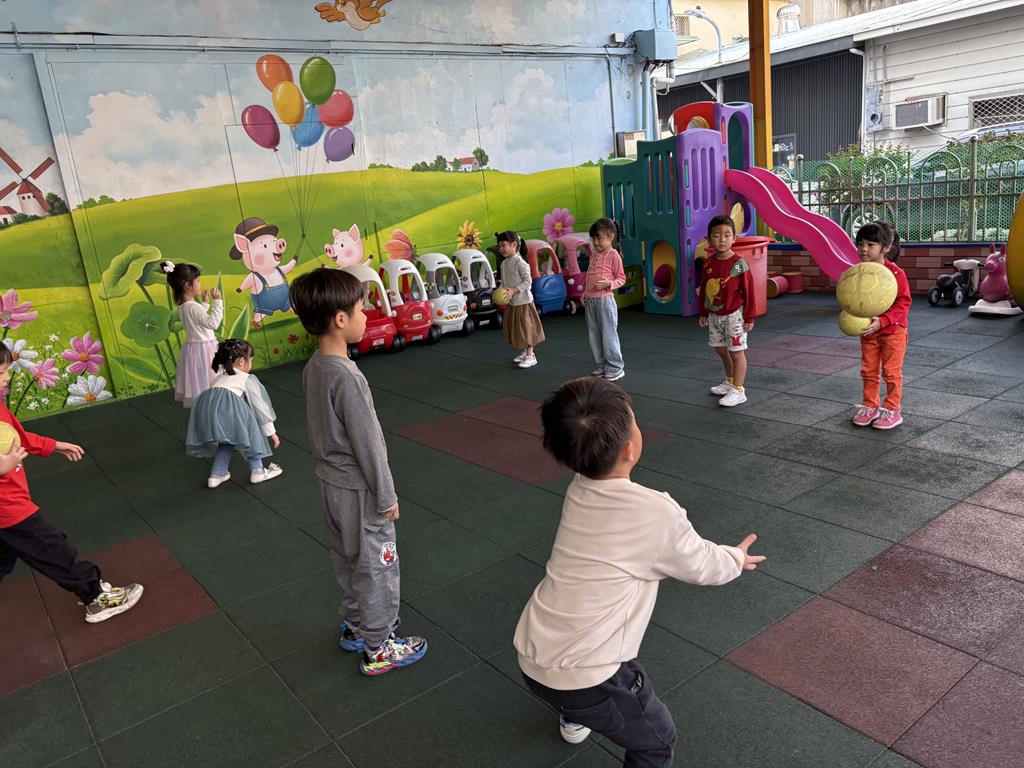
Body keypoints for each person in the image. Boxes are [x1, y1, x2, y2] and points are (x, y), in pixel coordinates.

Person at [515, 376, 765, 767]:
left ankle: (575, 712)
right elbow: (701, 564)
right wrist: (734, 558)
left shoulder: (580, 488)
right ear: (631, 447)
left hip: (535, 647)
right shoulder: (655, 512)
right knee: (657, 740)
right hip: (587, 675)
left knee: (587, 682)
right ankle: (580, 708)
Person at [289, 267, 428, 676]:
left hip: (330, 486)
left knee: (349, 560)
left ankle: (356, 625)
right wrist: (387, 497)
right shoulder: (347, 378)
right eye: (361, 309)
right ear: (340, 319)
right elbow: (368, 445)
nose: (366, 317)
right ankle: (379, 645)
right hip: (359, 491)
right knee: (377, 567)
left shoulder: (314, 367)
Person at [0, 345, 144, 623]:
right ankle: (95, 597)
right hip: (8, 507)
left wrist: (54, 445)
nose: (7, 377)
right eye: (1, 372)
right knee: (53, 549)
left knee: (3, 555)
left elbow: (20, 438)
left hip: (9, 504)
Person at [185, 339, 283, 488]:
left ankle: (217, 474)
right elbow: (260, 408)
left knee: (227, 440)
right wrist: (271, 432)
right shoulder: (246, 379)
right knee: (251, 429)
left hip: (207, 413)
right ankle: (257, 470)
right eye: (251, 359)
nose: (251, 363)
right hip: (229, 413)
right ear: (242, 361)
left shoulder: (218, 379)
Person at [851, 221, 911, 430]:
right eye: (860, 244)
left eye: (870, 244)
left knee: (891, 372)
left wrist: (883, 321)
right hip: (869, 331)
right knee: (868, 370)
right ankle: (870, 406)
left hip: (893, 331)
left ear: (886, 248)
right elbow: (853, 297)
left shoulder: (896, 274)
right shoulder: (858, 273)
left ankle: (893, 410)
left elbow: (903, 303)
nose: (864, 249)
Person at [697, 215, 755, 407]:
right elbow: (705, 289)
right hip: (715, 315)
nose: (722, 240)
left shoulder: (739, 265)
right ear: (709, 239)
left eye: (727, 235)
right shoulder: (708, 263)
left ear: (734, 238)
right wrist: (703, 312)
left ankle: (739, 389)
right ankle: (730, 381)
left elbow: (749, 292)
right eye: (716, 235)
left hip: (734, 316)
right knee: (720, 349)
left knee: (736, 351)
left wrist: (749, 317)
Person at [165, 260, 223, 408]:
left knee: (201, 380)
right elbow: (212, 323)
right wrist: (217, 302)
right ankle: (215, 406)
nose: (200, 284)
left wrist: (205, 304)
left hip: (193, 349)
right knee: (212, 379)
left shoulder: (183, 307)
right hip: (205, 349)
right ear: (188, 285)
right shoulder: (193, 307)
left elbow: (196, 319)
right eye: (197, 281)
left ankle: (205, 407)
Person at [583, 218, 627, 381]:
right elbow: (590, 276)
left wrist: (609, 284)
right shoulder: (594, 256)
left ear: (611, 237)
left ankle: (615, 367)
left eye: (599, 238)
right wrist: (585, 293)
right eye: (593, 238)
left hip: (605, 302)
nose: (595, 242)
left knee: (608, 335)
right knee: (594, 335)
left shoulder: (614, 255)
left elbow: (621, 278)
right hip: (591, 301)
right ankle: (602, 365)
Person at [496, 230, 545, 369]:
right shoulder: (504, 264)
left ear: (514, 245)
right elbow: (504, 282)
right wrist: (501, 290)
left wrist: (514, 290)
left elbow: (528, 282)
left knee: (527, 329)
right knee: (518, 329)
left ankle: (531, 356)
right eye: (500, 246)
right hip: (513, 303)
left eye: (504, 245)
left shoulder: (521, 263)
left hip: (524, 303)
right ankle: (524, 353)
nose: (501, 249)